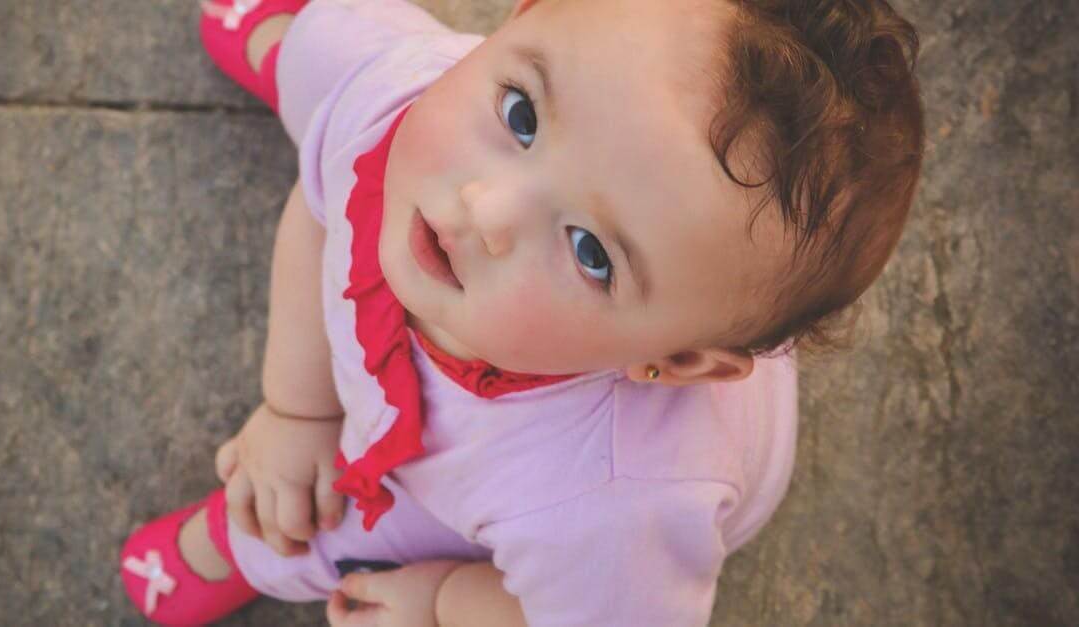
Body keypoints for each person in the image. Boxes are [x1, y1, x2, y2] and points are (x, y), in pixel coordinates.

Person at [119, 0, 924, 624]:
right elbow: (321, 206)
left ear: (674, 362)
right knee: (353, 63)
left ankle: (258, 539)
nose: (487, 207)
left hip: (488, 471)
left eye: (591, 252)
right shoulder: (409, 104)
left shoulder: (607, 507)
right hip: (444, 89)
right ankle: (294, 53)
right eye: (522, 116)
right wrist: (296, 410)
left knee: (332, 512)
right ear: (525, 16)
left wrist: (446, 602)